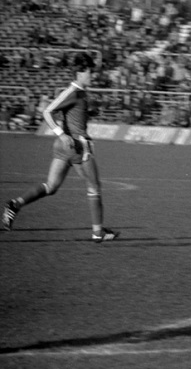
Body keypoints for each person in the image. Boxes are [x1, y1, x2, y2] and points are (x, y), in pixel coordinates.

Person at [1, 52, 118, 242]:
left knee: (52, 186)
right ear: (80, 73)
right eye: (89, 72)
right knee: (94, 186)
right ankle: (98, 232)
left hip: (65, 148)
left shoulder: (79, 92)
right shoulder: (72, 92)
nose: (92, 76)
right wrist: (61, 133)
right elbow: (47, 111)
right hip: (77, 147)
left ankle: (15, 204)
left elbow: (70, 114)